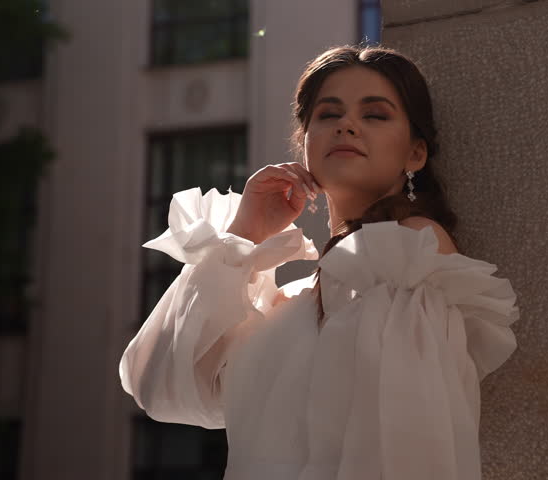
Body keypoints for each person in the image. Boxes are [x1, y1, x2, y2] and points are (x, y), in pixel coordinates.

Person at [119, 44, 520, 480]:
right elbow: (162, 389)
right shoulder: (284, 300)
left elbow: (408, 444)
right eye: (328, 114)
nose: (346, 125)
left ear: (415, 154)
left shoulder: (411, 251)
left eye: (375, 115)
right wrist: (244, 234)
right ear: (304, 142)